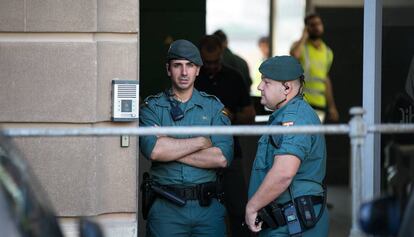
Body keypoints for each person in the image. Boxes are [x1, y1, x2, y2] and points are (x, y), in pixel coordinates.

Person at [139, 39, 234, 237]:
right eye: (177, 65)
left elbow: (221, 158)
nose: (184, 72)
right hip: (166, 209)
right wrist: (201, 142)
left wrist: (169, 145)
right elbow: (154, 151)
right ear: (168, 69)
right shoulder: (152, 108)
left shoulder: (214, 108)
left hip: (207, 209)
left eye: (190, 65)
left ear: (198, 70)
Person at [245, 56, 329, 236]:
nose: (260, 87)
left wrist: (253, 207)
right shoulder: (284, 116)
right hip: (285, 221)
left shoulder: (295, 117)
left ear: (287, 88)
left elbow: (284, 173)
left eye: (266, 82)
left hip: (294, 224)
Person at [196, 35, 255, 237]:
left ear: (222, 53)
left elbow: (250, 114)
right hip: (198, 153)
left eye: (215, 62)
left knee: (238, 208)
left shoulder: (235, 77)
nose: (211, 66)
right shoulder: (193, 78)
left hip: (231, 153)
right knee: (200, 210)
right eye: (207, 62)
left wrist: (231, 115)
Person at [290, 13, 339, 123]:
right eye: (312, 25)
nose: (316, 27)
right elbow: (295, 55)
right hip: (302, 103)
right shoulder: (300, 46)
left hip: (320, 106)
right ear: (306, 28)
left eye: (318, 24)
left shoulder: (327, 52)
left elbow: (325, 79)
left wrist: (332, 107)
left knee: (315, 138)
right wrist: (304, 36)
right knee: (302, 138)